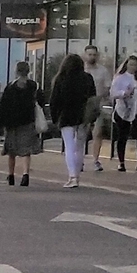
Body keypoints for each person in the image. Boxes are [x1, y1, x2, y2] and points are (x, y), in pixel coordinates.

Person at [47, 53, 97, 188]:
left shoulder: (61, 79)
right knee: (80, 146)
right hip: (83, 115)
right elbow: (93, 99)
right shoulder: (87, 78)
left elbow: (54, 100)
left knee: (69, 147)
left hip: (66, 116)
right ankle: (77, 175)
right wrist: (92, 118)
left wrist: (54, 117)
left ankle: (72, 176)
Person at [0, 63, 44, 186]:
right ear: (28, 71)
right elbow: (42, 101)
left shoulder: (11, 87)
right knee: (26, 150)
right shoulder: (34, 86)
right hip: (28, 121)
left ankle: (11, 175)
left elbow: (3, 106)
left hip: (12, 123)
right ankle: (25, 175)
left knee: (12, 150)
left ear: (16, 71)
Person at [108, 55, 137, 170]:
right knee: (123, 136)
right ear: (126, 65)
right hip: (124, 110)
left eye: (135, 65)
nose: (133, 67)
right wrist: (124, 93)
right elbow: (113, 93)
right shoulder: (120, 78)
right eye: (131, 64)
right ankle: (121, 162)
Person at [80, 46, 115, 171]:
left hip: (98, 104)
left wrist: (103, 97)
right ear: (85, 55)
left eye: (94, 55)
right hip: (83, 105)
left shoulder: (103, 71)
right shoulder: (80, 70)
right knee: (82, 133)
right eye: (89, 54)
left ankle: (95, 160)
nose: (92, 57)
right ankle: (80, 159)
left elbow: (108, 87)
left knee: (98, 132)